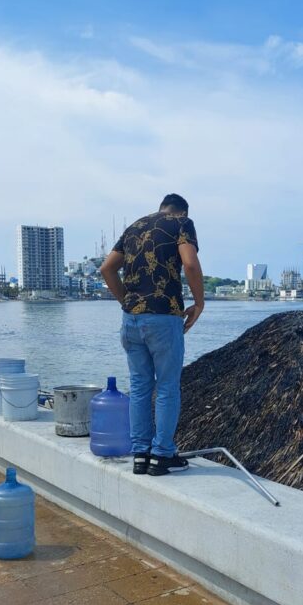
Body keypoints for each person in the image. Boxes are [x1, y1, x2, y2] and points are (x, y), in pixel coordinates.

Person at [100, 193, 205, 476]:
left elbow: (107, 269)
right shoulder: (181, 223)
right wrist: (199, 302)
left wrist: (126, 301)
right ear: (181, 212)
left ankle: (140, 455)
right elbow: (190, 264)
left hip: (131, 320)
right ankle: (162, 455)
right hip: (163, 315)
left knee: (140, 387)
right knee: (168, 386)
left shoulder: (134, 226)